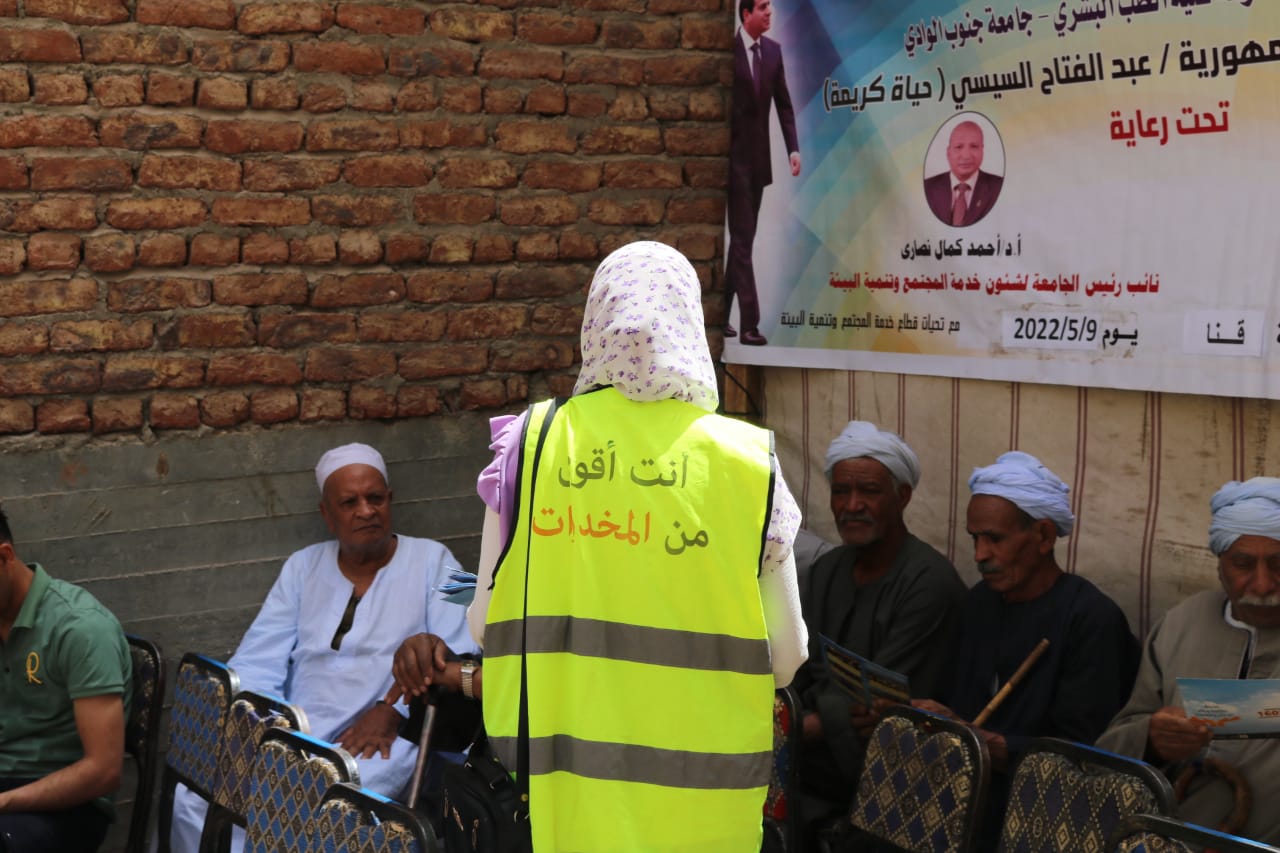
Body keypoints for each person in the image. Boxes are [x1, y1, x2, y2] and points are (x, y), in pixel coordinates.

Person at [402, 241, 808, 852]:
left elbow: (489, 624)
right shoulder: (748, 464)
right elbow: (787, 658)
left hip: (560, 808)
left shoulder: (531, 446)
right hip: (703, 820)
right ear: (690, 326)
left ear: (595, 324)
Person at [168, 443, 476, 851]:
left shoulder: (440, 560)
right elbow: (258, 657)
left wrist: (396, 711)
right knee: (194, 797)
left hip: (383, 741)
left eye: (375, 498)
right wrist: (262, 726)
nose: (366, 511)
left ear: (390, 501)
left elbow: (466, 654)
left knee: (320, 809)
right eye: (349, 502)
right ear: (327, 516)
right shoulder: (302, 565)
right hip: (297, 732)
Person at [917, 451, 1138, 846]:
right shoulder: (979, 603)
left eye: (995, 539)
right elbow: (952, 700)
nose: (980, 555)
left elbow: (1086, 756)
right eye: (975, 539)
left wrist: (984, 743)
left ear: (1043, 536)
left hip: (1046, 821)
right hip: (965, 805)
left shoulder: (1091, 619)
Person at [791, 421, 966, 828]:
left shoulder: (929, 583)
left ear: (901, 496)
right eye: (840, 492)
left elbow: (879, 702)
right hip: (814, 762)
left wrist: (803, 725)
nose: (852, 506)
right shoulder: (828, 569)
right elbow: (804, 666)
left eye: (868, 492)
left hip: (893, 775)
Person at [1097, 477, 1280, 845]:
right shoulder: (1182, 623)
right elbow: (1114, 742)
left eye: (1279, 564)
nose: (1263, 584)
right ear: (1219, 565)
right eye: (1243, 564)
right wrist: (1151, 738)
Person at [0, 506, 131, 853]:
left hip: (68, 806)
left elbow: (103, 771)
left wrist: (4, 802)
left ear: (5, 557)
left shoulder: (80, 628)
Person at [725, 0, 801, 347]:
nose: (769, 12)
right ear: (745, 15)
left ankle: (720, 315)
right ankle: (749, 325)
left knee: (743, 240)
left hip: (759, 165)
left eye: (770, 6)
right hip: (731, 163)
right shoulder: (727, 52)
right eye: (762, 7)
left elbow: (784, 105)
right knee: (742, 241)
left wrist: (793, 149)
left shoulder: (773, 52)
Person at [924, 119, 1003, 227]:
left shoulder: (1000, 187)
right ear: (948, 152)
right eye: (958, 147)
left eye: (974, 146)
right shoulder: (928, 188)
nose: (966, 155)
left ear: (982, 150)